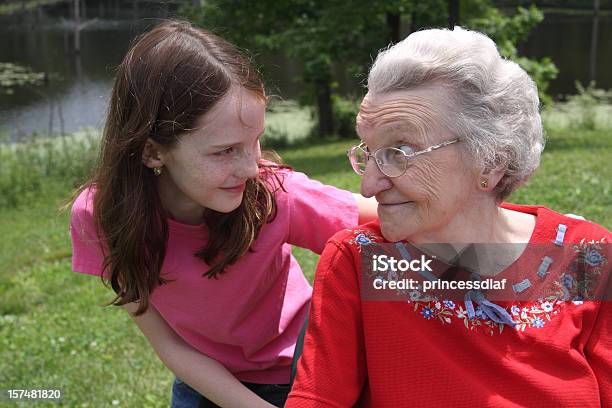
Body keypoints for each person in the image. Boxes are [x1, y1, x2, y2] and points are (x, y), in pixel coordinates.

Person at [285, 26, 611, 407]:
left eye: (400, 152)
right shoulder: (361, 262)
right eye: (369, 153)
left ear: (490, 161)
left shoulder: (585, 256)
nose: (369, 186)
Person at [69, 20, 376, 407]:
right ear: (152, 151)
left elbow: (399, 224)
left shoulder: (273, 195)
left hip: (309, 373)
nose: (251, 168)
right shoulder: (100, 219)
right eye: (225, 150)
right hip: (205, 384)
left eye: (255, 142)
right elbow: (168, 343)